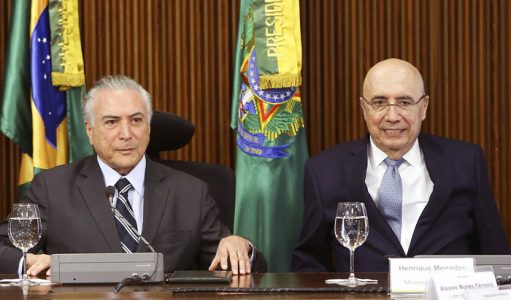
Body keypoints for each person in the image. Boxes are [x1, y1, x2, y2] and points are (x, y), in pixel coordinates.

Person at [0, 75, 261, 276]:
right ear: (90, 131)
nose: (126, 134)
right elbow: (4, 248)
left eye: (136, 120)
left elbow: (231, 260)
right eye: (111, 122)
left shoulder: (191, 191)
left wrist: (242, 248)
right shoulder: (53, 188)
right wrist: (27, 261)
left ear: (148, 128)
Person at [292, 58, 510, 272]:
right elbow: (309, 262)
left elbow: (495, 256)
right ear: (364, 108)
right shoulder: (324, 171)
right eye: (379, 103)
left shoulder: (465, 162)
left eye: (405, 103)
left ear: (424, 107)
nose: (392, 116)